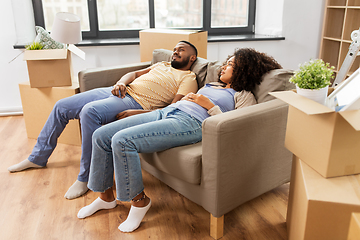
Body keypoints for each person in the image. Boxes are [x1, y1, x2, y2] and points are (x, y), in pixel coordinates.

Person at [77, 48, 282, 232]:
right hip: (169, 112)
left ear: (244, 71)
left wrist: (208, 104)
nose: (224, 67)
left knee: (122, 141)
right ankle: (105, 198)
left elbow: (238, 126)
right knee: (101, 135)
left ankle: (140, 202)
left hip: (191, 123)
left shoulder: (243, 95)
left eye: (231, 65)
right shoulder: (212, 84)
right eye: (227, 62)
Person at [8, 41, 199, 200]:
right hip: (118, 90)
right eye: (174, 49)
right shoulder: (161, 65)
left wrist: (138, 113)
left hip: (135, 102)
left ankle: (86, 177)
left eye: (181, 50)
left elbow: (172, 109)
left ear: (192, 58)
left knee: (89, 112)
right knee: (62, 106)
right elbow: (133, 74)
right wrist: (121, 82)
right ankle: (37, 158)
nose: (175, 52)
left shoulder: (189, 78)